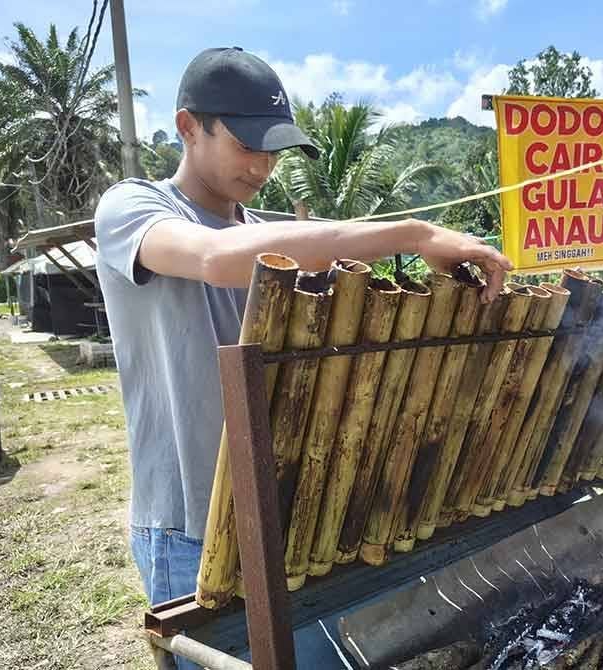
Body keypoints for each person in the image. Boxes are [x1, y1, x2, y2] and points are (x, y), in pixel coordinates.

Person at [94, 47, 511, 667]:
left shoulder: (267, 226)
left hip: (282, 506)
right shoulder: (132, 209)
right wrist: (414, 234)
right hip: (188, 524)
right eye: (246, 144)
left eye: (274, 150)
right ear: (188, 127)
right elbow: (217, 259)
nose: (263, 165)